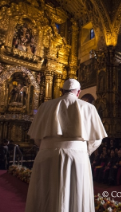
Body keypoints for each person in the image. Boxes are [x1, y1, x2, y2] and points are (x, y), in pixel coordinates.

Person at [25, 79, 107, 212]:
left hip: (46, 155)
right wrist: (83, 152)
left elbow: (37, 138)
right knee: (76, 193)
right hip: (77, 157)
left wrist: (48, 147)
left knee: (45, 194)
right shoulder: (89, 107)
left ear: (62, 91)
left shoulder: (45, 106)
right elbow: (96, 140)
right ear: (79, 92)